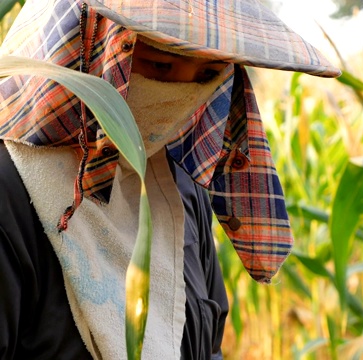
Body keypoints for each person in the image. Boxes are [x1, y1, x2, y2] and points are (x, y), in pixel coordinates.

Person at [0, 0, 340, 359]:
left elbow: (208, 346)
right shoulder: (11, 190)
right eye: (160, 65)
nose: (178, 96)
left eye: (208, 75)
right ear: (99, 45)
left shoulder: (179, 187)